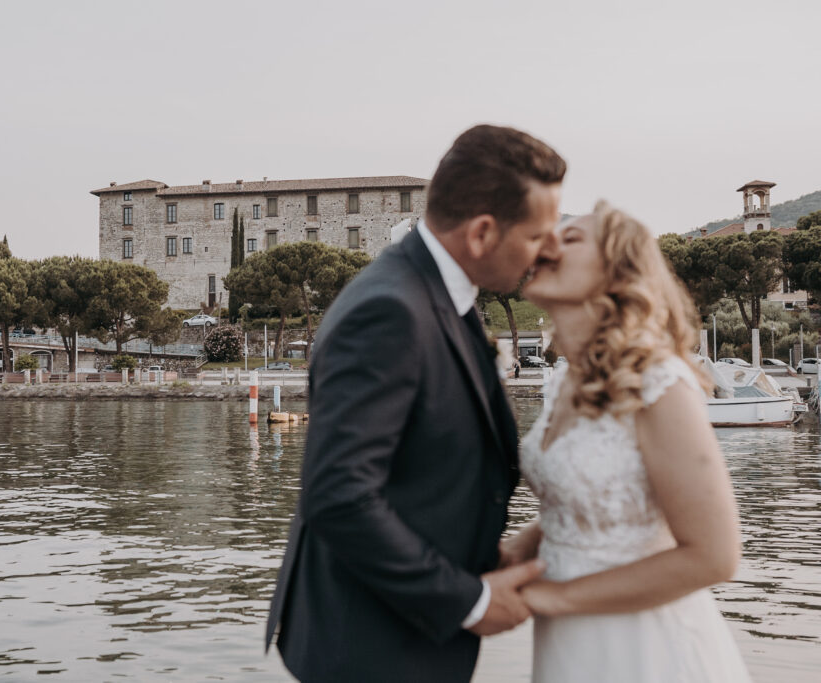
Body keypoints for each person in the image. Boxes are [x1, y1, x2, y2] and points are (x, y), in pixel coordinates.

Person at [264, 124, 566, 682]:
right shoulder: (390, 312)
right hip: (372, 650)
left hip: (400, 633)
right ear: (480, 233)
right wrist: (468, 600)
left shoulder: (438, 295)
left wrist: (484, 556)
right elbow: (340, 498)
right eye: (537, 235)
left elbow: (419, 467)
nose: (549, 250)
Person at [510, 202, 752, 682]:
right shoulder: (563, 381)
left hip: (644, 647)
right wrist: (514, 554)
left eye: (572, 238)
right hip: (568, 641)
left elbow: (715, 555)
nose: (546, 243)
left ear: (617, 272)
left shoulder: (658, 381)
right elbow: (583, 501)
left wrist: (552, 596)